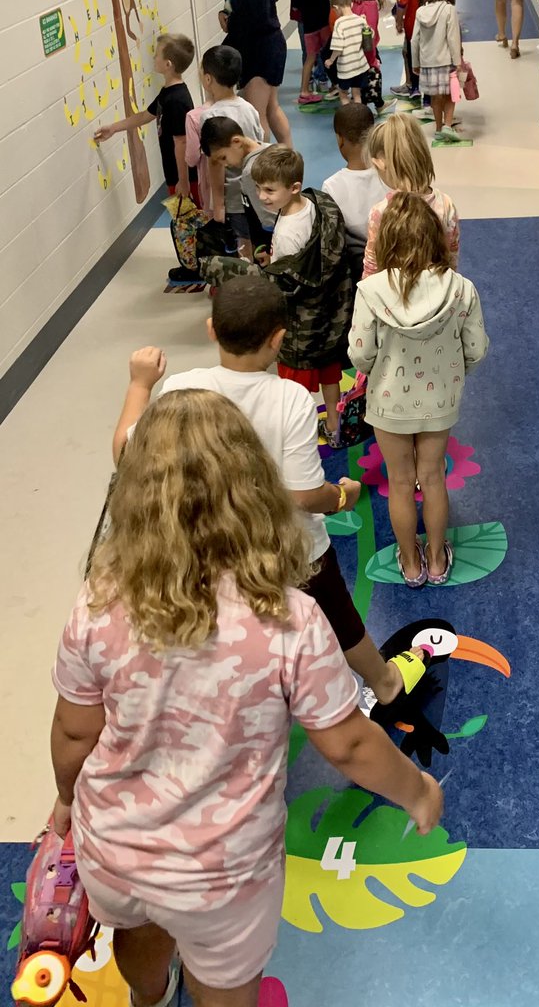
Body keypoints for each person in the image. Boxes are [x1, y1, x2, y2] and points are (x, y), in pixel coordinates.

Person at [52, 388, 442, 1007]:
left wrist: (67, 803)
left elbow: (75, 734)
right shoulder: (290, 618)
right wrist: (417, 791)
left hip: (117, 847)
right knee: (226, 981)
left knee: (138, 932)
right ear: (253, 489)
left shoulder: (98, 602)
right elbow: (346, 743)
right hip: (225, 871)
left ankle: (148, 995)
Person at [111, 283, 427, 710]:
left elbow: (125, 454)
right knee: (338, 612)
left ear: (211, 329)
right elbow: (302, 496)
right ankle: (386, 682)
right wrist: (341, 497)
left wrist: (139, 385)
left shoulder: (181, 388)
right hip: (292, 549)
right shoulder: (290, 398)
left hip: (213, 544)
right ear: (278, 338)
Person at [349, 192, 488, 587]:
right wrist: (455, 370)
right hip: (439, 401)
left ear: (387, 240)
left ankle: (410, 563)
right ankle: (438, 559)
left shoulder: (370, 292)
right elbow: (476, 349)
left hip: (388, 403)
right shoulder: (461, 288)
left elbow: (360, 355)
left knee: (399, 481)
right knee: (432, 478)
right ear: (436, 237)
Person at [249, 145, 352, 444]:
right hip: (328, 317)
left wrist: (273, 268)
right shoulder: (314, 203)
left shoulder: (286, 231)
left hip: (300, 327)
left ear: (293, 187)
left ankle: (300, 437)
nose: (261, 196)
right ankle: (334, 424)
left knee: (296, 388)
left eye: (269, 189)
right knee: (330, 375)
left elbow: (288, 280)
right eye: (258, 188)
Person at [94, 33, 199, 284]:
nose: (153, 57)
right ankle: (193, 261)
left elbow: (181, 142)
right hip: (175, 174)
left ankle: (193, 268)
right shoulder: (167, 92)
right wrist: (114, 128)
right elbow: (145, 115)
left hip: (182, 175)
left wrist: (183, 181)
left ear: (168, 64)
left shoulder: (177, 100)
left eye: (157, 54)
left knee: (185, 223)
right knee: (184, 220)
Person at [362, 113, 459, 279]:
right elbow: (451, 258)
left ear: (380, 163)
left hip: (394, 299)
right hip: (438, 294)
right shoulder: (446, 204)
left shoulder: (381, 212)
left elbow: (372, 269)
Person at [220, 0, 291, 143]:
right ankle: (288, 157)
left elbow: (256, 19)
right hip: (259, 45)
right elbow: (232, 5)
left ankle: (265, 169)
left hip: (262, 48)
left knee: (257, 114)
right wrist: (223, 15)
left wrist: (231, 25)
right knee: (271, 108)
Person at [184, 46, 263, 247]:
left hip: (233, 198)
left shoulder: (209, 116)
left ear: (208, 80)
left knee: (242, 246)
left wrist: (218, 205)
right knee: (258, 242)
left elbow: (215, 163)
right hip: (257, 193)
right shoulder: (249, 108)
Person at [322, 104, 388, 284]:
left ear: (339, 140)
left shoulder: (331, 187)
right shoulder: (391, 174)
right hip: (396, 259)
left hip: (359, 272)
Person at [200, 116, 272, 254]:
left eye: (223, 157)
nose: (225, 165)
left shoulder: (250, 173)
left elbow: (269, 221)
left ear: (237, 141)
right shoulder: (270, 150)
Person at [412, 0, 462, 144]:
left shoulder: (420, 12)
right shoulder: (449, 10)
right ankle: (448, 126)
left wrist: (415, 62)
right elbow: (453, 38)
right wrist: (458, 61)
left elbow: (414, 40)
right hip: (445, 61)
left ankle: (439, 128)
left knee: (435, 97)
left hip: (427, 62)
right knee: (450, 95)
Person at [391, 0, 436, 101]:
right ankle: (429, 95)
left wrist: (399, 22)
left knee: (413, 56)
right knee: (429, 58)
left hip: (412, 26)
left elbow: (402, 5)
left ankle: (415, 87)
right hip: (432, 27)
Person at [292, 0, 332, 105]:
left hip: (308, 27)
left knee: (310, 58)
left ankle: (304, 91)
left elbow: (295, 8)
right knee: (330, 54)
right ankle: (335, 86)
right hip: (323, 25)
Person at [350, 0, 388, 112]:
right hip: (366, 50)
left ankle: (369, 106)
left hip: (353, 48)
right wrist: (372, 60)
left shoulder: (354, 0)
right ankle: (374, 106)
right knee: (372, 77)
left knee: (358, 84)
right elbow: (368, 35)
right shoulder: (370, 4)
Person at [325, 0, 370, 106]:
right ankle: (359, 114)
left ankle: (348, 116)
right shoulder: (360, 20)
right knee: (356, 94)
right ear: (351, 4)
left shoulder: (340, 23)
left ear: (336, 7)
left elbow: (338, 48)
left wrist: (331, 60)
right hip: (360, 65)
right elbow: (369, 37)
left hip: (346, 68)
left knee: (343, 93)